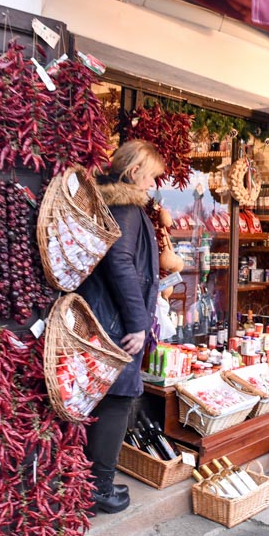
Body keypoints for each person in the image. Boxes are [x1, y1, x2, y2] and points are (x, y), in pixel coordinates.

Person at [77, 140, 165, 513]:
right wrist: (139, 323)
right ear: (134, 173)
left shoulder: (114, 204)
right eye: (151, 176)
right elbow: (120, 262)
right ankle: (100, 488)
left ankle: (91, 484)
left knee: (104, 397)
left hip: (106, 318)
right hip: (117, 323)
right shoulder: (126, 207)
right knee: (118, 398)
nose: (153, 184)